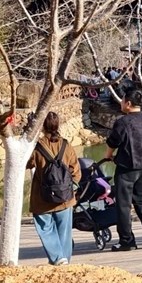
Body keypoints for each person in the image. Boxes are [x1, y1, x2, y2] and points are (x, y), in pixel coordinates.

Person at [105, 88, 142, 251]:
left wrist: (108, 156)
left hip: (126, 167)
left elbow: (112, 143)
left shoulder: (123, 122)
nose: (121, 103)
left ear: (128, 104)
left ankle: (127, 240)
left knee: (123, 204)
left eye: (122, 101)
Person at [27, 112, 81, 266]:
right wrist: (73, 188)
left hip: (42, 198)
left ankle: (58, 258)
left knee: (45, 228)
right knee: (64, 232)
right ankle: (65, 261)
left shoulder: (37, 147)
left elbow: (27, 163)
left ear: (42, 126)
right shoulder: (66, 144)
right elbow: (75, 170)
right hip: (65, 197)